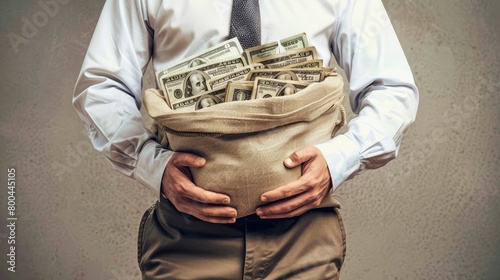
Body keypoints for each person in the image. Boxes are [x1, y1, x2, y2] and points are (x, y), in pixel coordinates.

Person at [73, 0, 418, 279]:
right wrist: (154, 166)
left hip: (303, 237)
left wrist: (338, 160)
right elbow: (103, 86)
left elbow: (391, 88)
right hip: (188, 240)